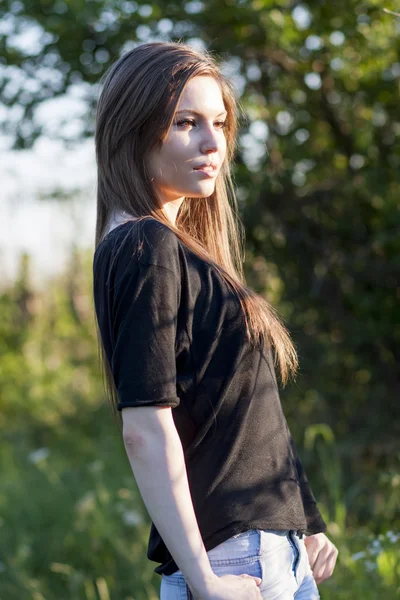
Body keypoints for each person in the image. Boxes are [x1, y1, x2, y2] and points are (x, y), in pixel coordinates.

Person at [92, 41, 338, 600]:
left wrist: (305, 516)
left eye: (220, 123)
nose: (213, 144)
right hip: (236, 557)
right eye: (186, 122)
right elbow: (146, 429)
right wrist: (204, 581)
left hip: (275, 547)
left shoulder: (175, 247)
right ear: (133, 127)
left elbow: (240, 404)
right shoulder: (145, 245)